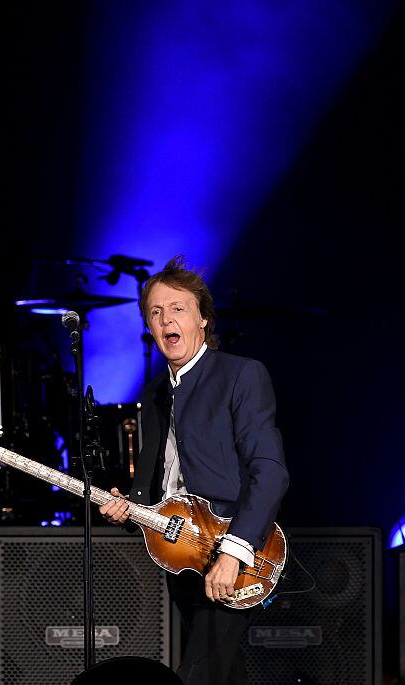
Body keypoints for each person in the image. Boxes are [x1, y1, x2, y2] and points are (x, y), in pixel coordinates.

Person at [99, 256, 289, 685]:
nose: (166, 318)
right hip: (180, 556)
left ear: (202, 318)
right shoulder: (153, 396)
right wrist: (128, 508)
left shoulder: (240, 375)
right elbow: (155, 483)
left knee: (198, 674)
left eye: (178, 308)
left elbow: (270, 471)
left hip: (237, 554)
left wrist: (234, 550)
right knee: (224, 673)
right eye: (156, 311)